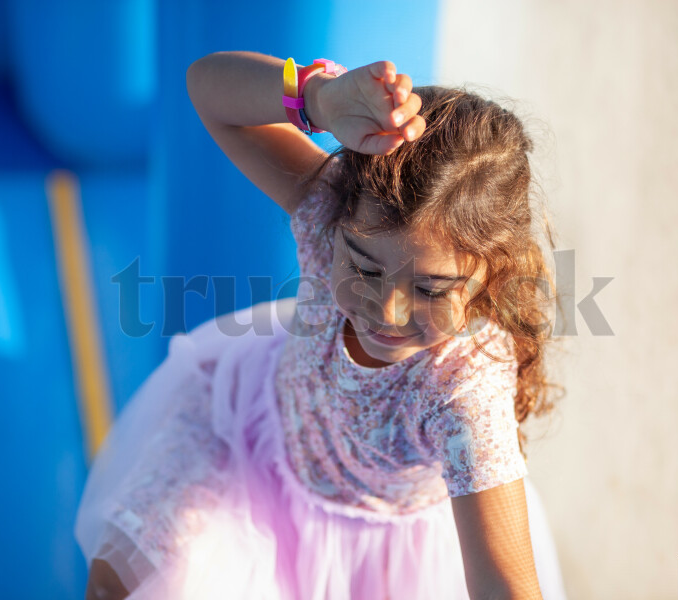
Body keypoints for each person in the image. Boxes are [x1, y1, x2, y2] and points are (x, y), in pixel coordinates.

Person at [75, 50, 567, 600]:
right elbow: (207, 89)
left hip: (370, 547)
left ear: (490, 275)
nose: (387, 311)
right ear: (340, 227)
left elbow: (506, 585)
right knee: (117, 585)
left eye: (430, 288)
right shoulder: (326, 206)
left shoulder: (467, 389)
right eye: (363, 266)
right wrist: (319, 99)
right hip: (249, 429)